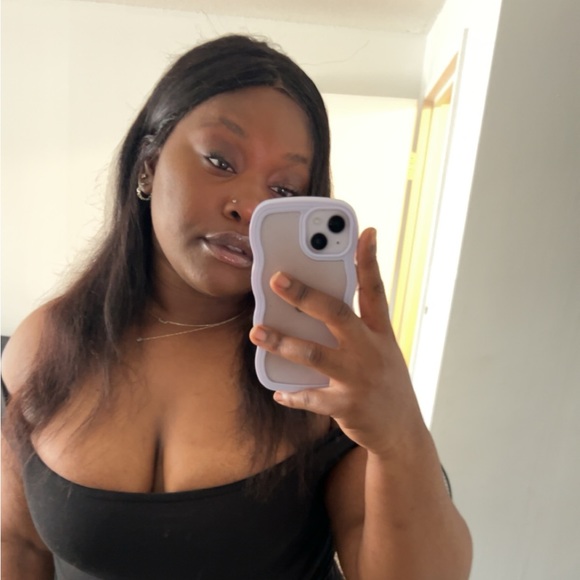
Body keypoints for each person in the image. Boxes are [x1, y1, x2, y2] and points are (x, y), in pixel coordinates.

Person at [1, 34, 472, 580]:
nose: (248, 207)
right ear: (148, 164)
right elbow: (17, 544)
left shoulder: (321, 365)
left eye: (284, 189)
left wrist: (398, 430)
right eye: (220, 161)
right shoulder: (46, 344)